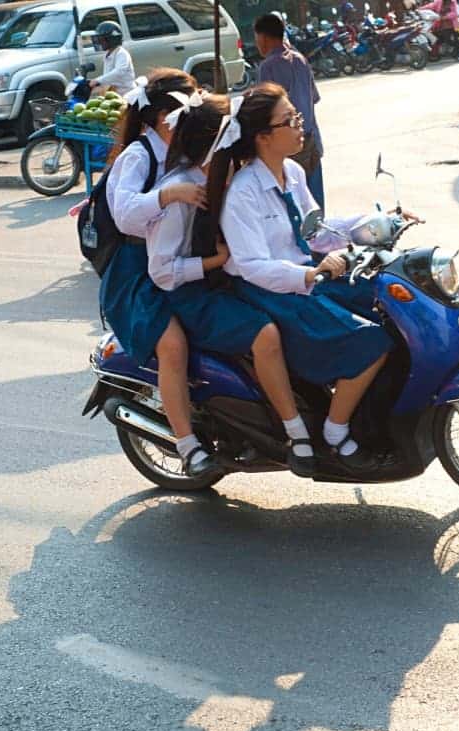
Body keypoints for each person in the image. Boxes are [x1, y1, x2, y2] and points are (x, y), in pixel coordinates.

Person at [216, 83, 392, 471]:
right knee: (373, 342)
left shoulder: (293, 172)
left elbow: (317, 232)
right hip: (270, 291)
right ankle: (334, 431)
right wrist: (310, 272)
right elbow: (252, 266)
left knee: (387, 302)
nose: (301, 127)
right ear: (263, 136)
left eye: (297, 118)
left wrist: (376, 225)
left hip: (304, 278)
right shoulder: (244, 193)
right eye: (290, 121)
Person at [148, 90, 318, 476]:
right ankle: (296, 433)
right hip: (190, 293)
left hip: (222, 281)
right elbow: (162, 272)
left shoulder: (226, 176)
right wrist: (215, 261)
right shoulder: (183, 192)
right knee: (266, 334)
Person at [101, 69, 215, 476]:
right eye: (181, 114)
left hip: (179, 262)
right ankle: (187, 445)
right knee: (173, 346)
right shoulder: (139, 155)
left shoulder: (186, 153)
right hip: (135, 277)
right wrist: (169, 194)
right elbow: (126, 215)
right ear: (157, 118)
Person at [252, 12, 327, 214]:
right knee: (315, 207)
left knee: (294, 210)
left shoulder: (268, 66)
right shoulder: (300, 59)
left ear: (264, 38)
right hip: (311, 141)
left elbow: (263, 110)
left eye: (256, 38)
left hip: (287, 145)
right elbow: (313, 99)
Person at [89, 21, 134, 94]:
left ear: (112, 39)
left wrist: (97, 80)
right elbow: (108, 76)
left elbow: (119, 72)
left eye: (102, 40)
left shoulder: (122, 53)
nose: (99, 42)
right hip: (112, 93)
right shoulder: (108, 54)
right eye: (99, 39)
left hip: (126, 94)